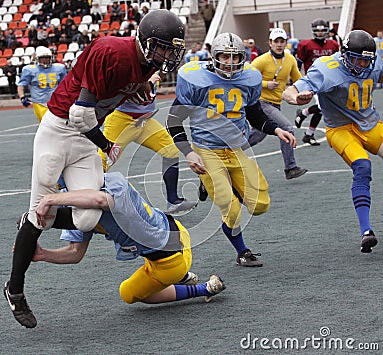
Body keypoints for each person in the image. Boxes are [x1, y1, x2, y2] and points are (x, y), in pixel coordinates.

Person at [3, 10, 187, 329]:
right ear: (145, 41)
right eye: (163, 47)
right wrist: (105, 144)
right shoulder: (112, 51)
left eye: (172, 50)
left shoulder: (145, 66)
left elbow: (107, 105)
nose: (167, 55)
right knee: (41, 213)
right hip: (60, 130)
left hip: (87, 135)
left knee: (87, 217)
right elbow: (79, 115)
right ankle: (15, 289)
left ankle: (35, 217)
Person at [166, 32, 296, 268]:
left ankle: (217, 184)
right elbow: (174, 120)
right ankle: (242, 251)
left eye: (235, 57)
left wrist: (276, 130)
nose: (230, 62)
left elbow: (255, 113)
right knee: (232, 210)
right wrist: (188, 151)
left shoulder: (249, 78)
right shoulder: (196, 77)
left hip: (236, 149)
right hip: (207, 150)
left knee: (260, 205)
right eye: (224, 56)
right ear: (214, 56)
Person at [28, 171, 225, 319]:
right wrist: (42, 254)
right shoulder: (87, 202)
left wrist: (50, 199)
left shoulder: (110, 187)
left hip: (171, 260)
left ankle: (204, 288)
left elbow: (100, 200)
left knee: (128, 293)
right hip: (176, 233)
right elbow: (75, 252)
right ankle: (183, 277)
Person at [283, 29, 383, 254]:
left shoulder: (373, 65)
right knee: (363, 166)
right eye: (357, 59)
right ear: (345, 55)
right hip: (341, 129)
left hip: (370, 122)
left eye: (366, 60)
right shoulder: (328, 69)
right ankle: (366, 231)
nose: (362, 65)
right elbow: (289, 91)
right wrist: (297, 98)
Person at [98, 72, 197, 214]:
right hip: (122, 120)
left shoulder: (153, 64)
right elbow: (126, 87)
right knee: (103, 160)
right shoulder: (131, 64)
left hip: (145, 121)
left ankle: (173, 200)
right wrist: (146, 81)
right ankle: (81, 197)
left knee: (170, 150)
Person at [249, 28, 307, 180]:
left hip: (276, 104)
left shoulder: (290, 60)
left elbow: (299, 80)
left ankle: (229, 150)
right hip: (262, 103)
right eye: (276, 42)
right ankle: (290, 167)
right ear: (270, 43)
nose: (279, 45)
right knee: (287, 128)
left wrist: (304, 92)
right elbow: (247, 79)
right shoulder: (261, 60)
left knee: (257, 135)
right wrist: (266, 84)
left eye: (282, 41)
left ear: (286, 43)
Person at [294, 18, 340, 145]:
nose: (320, 32)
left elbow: (339, 63)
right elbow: (299, 63)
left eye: (322, 30)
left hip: (330, 80)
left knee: (323, 109)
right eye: (317, 30)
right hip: (314, 81)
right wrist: (297, 79)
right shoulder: (305, 45)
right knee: (321, 107)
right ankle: (304, 115)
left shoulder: (333, 45)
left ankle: (308, 133)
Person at [17, 46, 67, 122]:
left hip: (55, 102)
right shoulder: (30, 69)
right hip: (39, 102)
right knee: (47, 125)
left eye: (47, 58)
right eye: (43, 58)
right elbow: (21, 85)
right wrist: (22, 97)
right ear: (38, 59)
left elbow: (65, 84)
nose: (45, 60)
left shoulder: (59, 68)